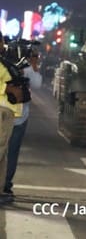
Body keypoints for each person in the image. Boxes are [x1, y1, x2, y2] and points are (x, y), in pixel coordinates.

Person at [3, 45, 41, 196]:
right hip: (15, 116)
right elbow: (36, 84)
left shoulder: (13, 65)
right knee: (10, 153)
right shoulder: (22, 67)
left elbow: (36, 84)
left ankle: (5, 185)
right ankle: (5, 186)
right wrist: (33, 66)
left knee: (7, 153)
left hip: (14, 115)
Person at [0, 38, 24, 198]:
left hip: (8, 110)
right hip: (1, 109)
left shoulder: (5, 62)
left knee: (3, 155)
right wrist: (7, 88)